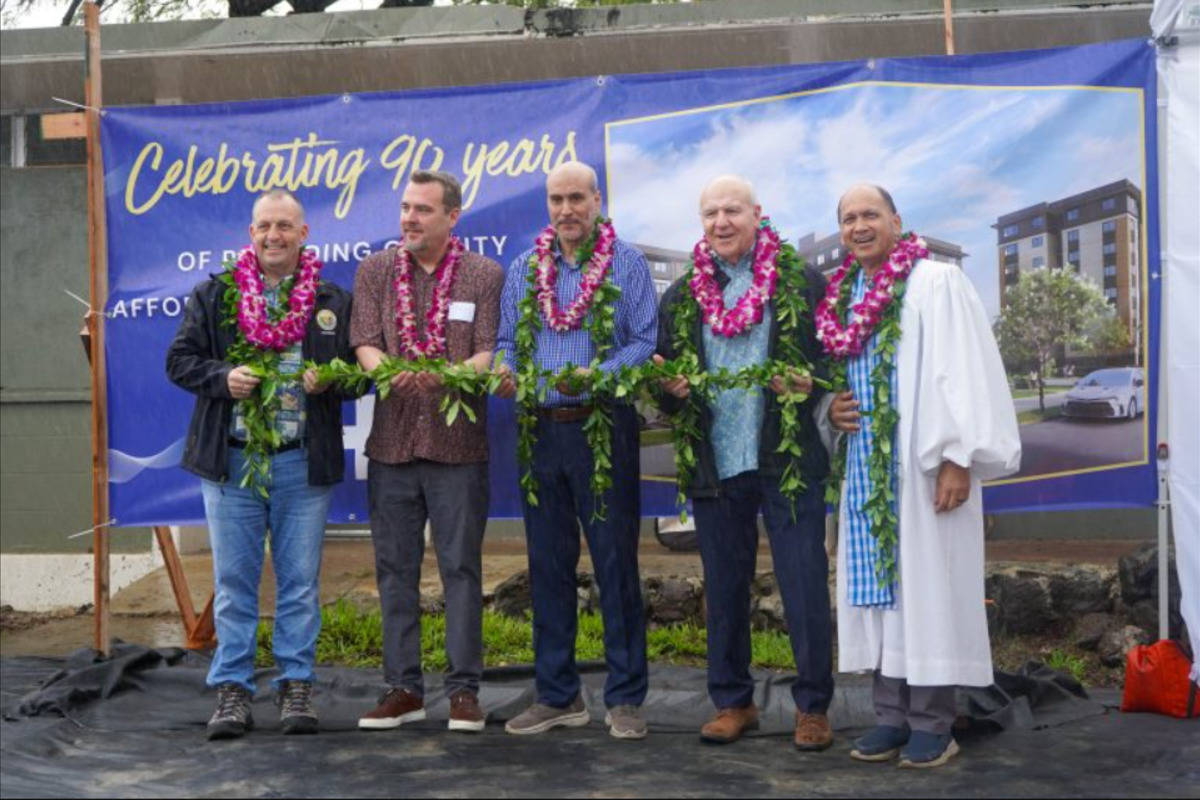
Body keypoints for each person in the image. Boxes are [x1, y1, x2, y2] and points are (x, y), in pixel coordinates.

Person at [819, 184, 1020, 769]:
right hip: (865, 468)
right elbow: (834, 377)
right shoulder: (843, 298)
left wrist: (959, 457)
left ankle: (934, 720)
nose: (859, 226)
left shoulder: (934, 282)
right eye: (849, 218)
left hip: (923, 466)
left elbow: (967, 371)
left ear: (897, 221)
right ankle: (890, 717)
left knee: (926, 589)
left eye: (870, 215)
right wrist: (831, 406)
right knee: (878, 595)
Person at [166, 189, 354, 741]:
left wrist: (335, 380)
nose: (274, 235)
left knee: (299, 583)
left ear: (304, 234)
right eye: (264, 226)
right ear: (251, 234)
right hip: (233, 463)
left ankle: (296, 686)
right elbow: (178, 361)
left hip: (301, 463)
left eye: (284, 226)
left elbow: (363, 373)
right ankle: (232, 692)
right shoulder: (215, 294)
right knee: (233, 584)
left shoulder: (331, 300)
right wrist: (223, 379)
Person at [655, 175, 835, 750]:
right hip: (716, 463)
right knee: (724, 586)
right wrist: (670, 389)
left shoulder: (800, 280)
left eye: (732, 210)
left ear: (758, 213)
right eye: (710, 213)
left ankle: (813, 707)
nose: (721, 222)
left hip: (785, 459)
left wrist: (813, 384)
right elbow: (660, 385)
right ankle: (733, 702)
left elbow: (834, 359)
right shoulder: (682, 297)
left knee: (804, 582)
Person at [494, 161, 656, 740]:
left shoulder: (627, 262)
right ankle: (559, 694)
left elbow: (644, 340)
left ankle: (626, 697)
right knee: (548, 566)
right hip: (539, 430)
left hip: (602, 425)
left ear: (597, 199)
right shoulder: (523, 267)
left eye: (576, 199)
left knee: (615, 564)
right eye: (556, 200)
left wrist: (599, 375)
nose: (566, 210)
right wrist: (506, 371)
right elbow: (508, 341)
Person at [350, 170, 503, 734]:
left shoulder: (485, 275)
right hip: (391, 446)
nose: (409, 219)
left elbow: (489, 350)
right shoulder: (375, 271)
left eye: (422, 210)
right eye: (405, 208)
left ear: (452, 217)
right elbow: (364, 339)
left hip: (458, 448)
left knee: (461, 568)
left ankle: (463, 691)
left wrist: (445, 376)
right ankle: (403, 689)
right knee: (395, 571)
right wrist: (389, 372)